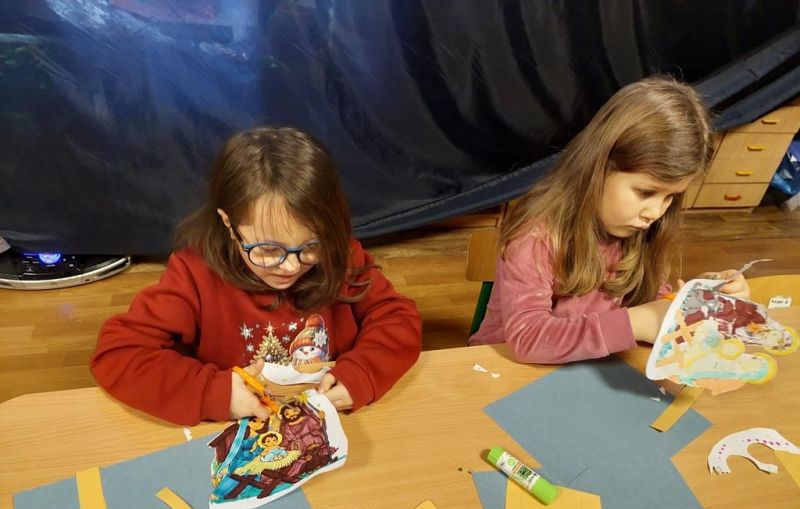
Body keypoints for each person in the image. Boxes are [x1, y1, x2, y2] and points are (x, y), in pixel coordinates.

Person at [91, 127, 422, 425]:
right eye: (267, 249)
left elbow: (397, 318)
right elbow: (118, 354)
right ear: (228, 223)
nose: (290, 266)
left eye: (310, 246)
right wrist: (213, 393)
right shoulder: (195, 273)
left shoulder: (340, 254)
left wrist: (363, 372)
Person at [469, 76, 749, 364]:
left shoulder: (641, 229)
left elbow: (648, 299)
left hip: (585, 367)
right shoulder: (536, 236)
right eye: (645, 192)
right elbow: (528, 339)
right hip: (502, 368)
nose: (655, 212)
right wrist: (638, 321)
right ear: (599, 167)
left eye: (670, 197)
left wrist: (694, 297)